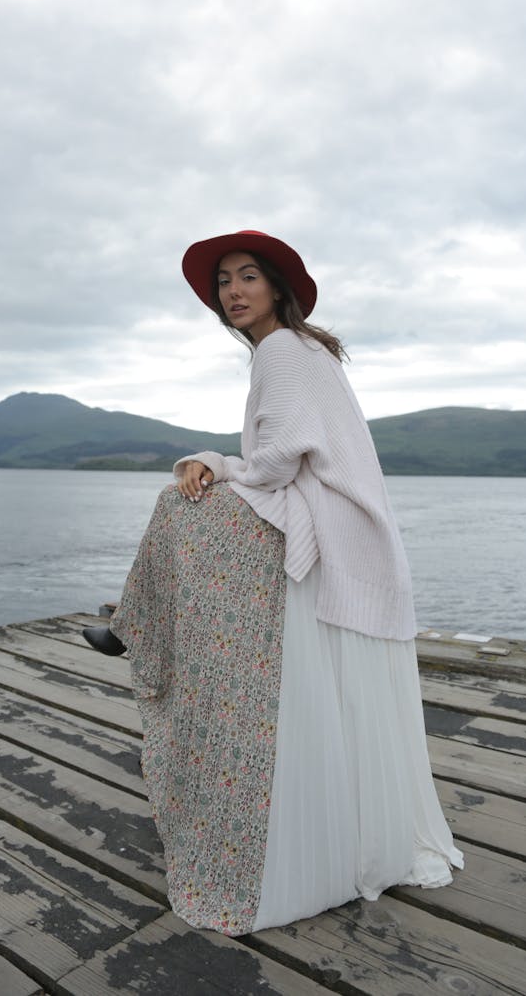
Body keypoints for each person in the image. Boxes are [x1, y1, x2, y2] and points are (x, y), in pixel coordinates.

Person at [83, 229, 463, 936]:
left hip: (322, 517)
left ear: (278, 289)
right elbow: (271, 455)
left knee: (177, 504)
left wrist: (215, 466)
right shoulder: (295, 351)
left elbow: (277, 459)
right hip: (335, 519)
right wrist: (214, 459)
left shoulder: (284, 349)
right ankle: (137, 624)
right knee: (189, 494)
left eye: (247, 276)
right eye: (224, 280)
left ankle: (135, 626)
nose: (232, 290)